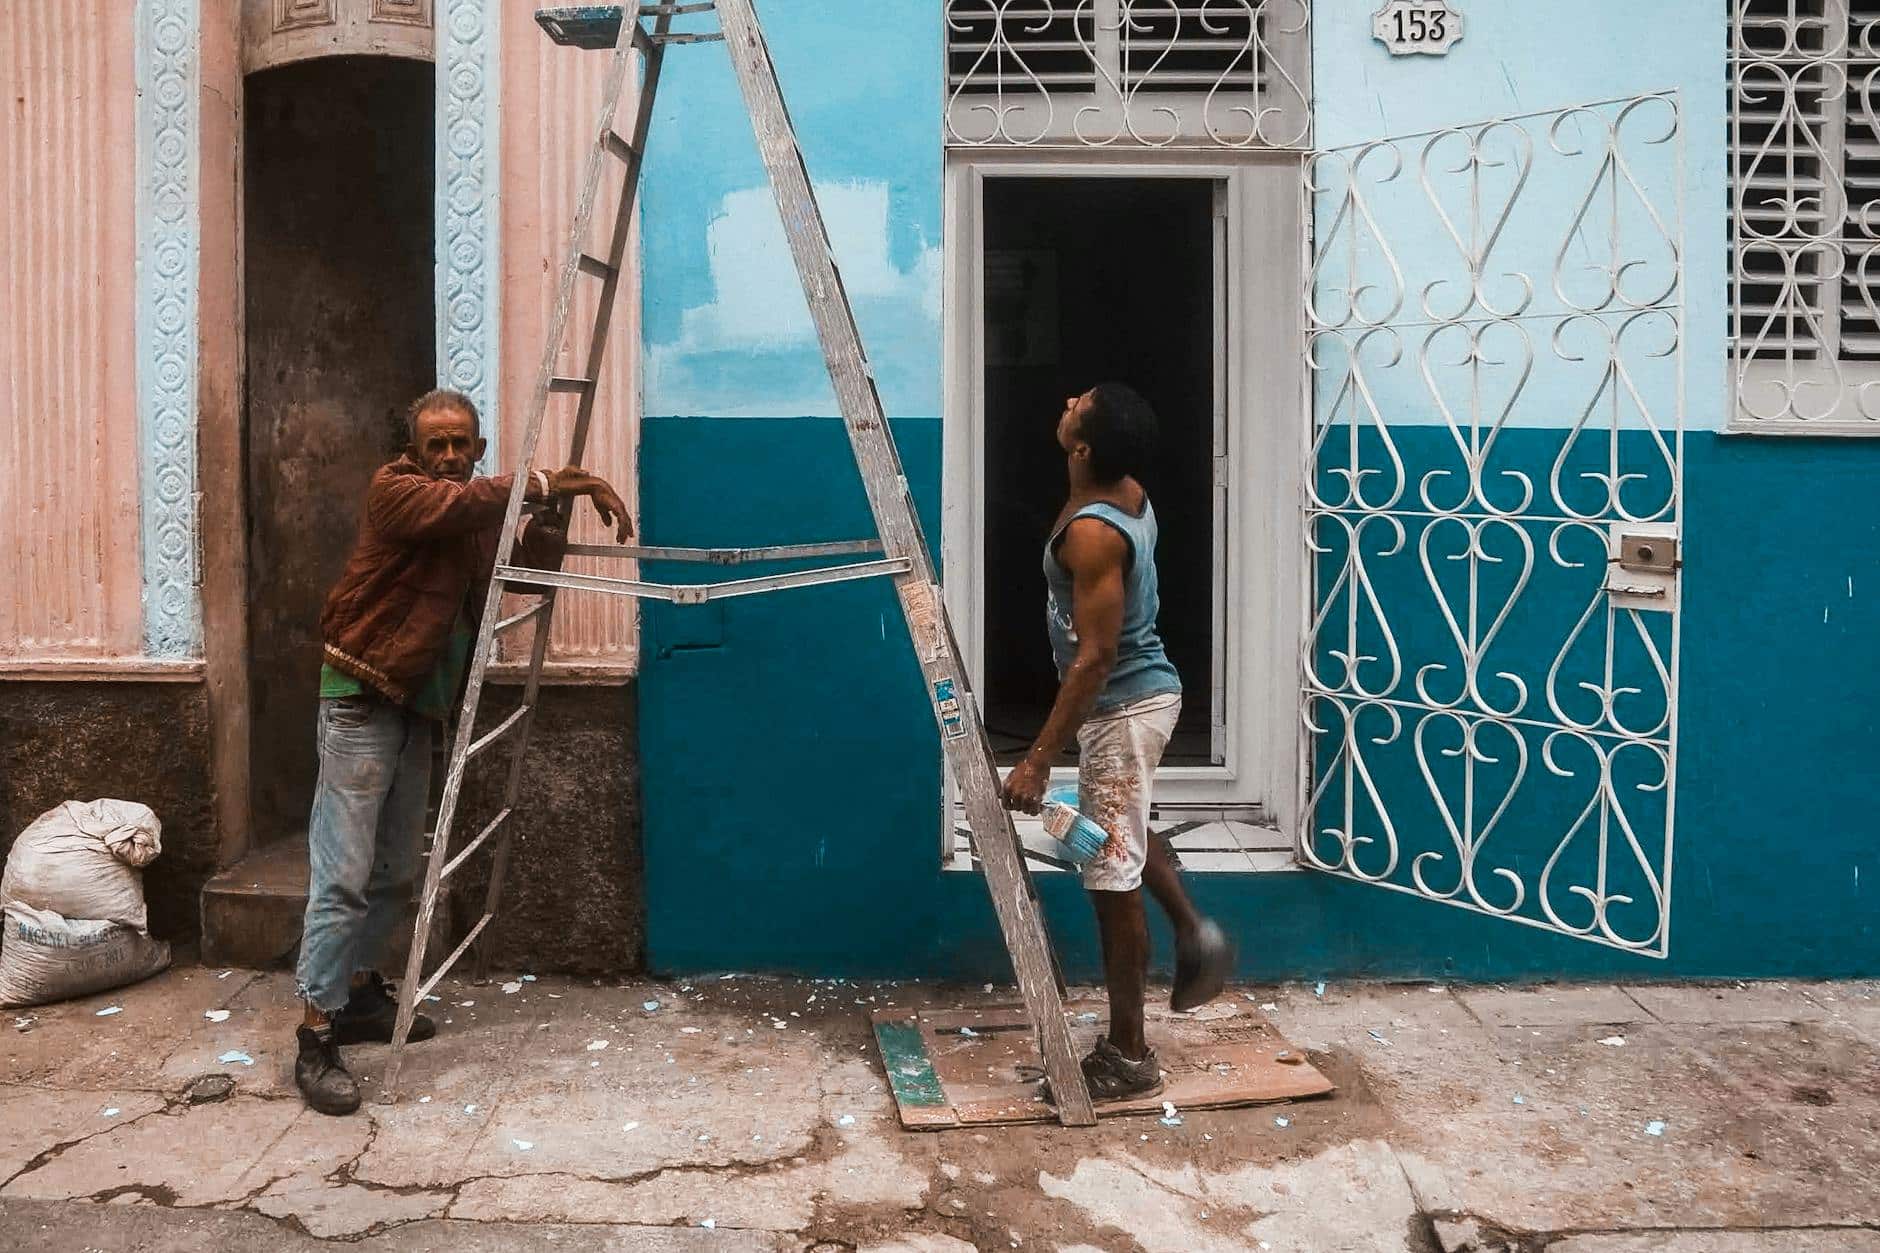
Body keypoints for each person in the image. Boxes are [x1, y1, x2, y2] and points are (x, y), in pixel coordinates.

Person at [294, 387, 631, 1116]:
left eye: (461, 444)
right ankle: (316, 1033)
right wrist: (545, 480)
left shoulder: (478, 512)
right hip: (359, 697)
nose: (448, 455)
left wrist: (548, 515)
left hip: (417, 703)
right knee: (344, 874)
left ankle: (357, 995)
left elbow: (517, 560)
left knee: (394, 873)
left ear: (478, 449)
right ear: (413, 452)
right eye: (435, 444)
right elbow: (459, 508)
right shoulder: (398, 491)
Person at [1002, 382, 1233, 1102]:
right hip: (1141, 698)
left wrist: (1039, 756)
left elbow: (1095, 656)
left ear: (1082, 447)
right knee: (1119, 834)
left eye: (1079, 405)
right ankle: (1196, 932)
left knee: (1110, 876)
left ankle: (1128, 1054)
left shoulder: (1097, 532)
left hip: (1124, 707)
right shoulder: (1123, 487)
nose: (1066, 398)